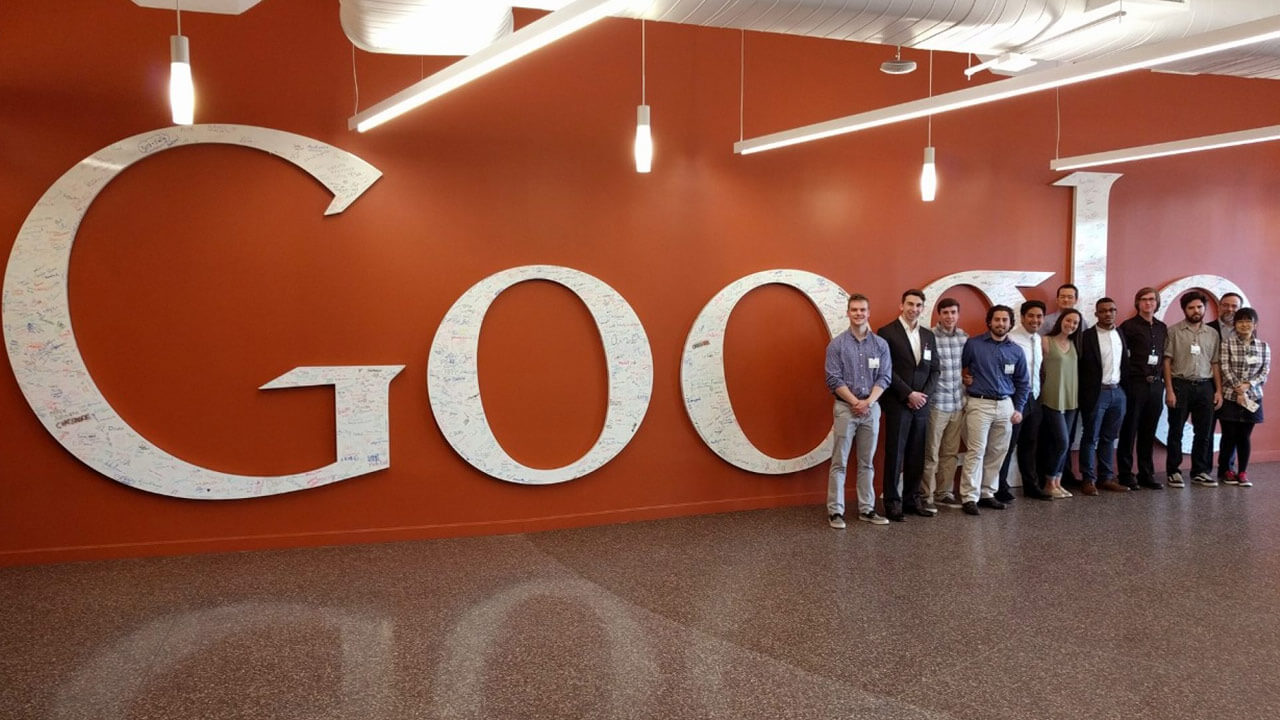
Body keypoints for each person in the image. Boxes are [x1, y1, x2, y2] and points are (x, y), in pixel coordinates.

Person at [824, 294, 893, 528]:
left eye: (862, 310)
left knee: (867, 463)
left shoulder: (880, 345)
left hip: (871, 409)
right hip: (845, 409)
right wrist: (856, 402)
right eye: (854, 310)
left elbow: (885, 376)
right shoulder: (837, 345)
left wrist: (869, 402)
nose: (858, 313)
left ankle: (867, 509)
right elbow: (833, 378)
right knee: (839, 462)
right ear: (847, 313)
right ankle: (835, 511)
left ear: (868, 312)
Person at [958, 305, 1030, 516]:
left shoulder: (1016, 351)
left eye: (1005, 320)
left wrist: (1018, 408)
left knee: (998, 451)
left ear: (1010, 323)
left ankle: (987, 492)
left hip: (1006, 405)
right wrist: (964, 380)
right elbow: (958, 369)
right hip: (979, 403)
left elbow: (1023, 383)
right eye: (996, 319)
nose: (1000, 323)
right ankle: (969, 497)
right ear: (989, 322)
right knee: (976, 450)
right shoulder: (973, 344)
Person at [877, 289, 941, 520]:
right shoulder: (886, 332)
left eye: (918, 305)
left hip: (922, 405)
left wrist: (923, 395)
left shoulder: (928, 335)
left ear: (923, 308)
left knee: (917, 453)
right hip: (898, 402)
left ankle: (912, 499)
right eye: (910, 304)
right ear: (901, 305)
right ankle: (892, 502)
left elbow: (935, 368)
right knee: (895, 454)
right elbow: (886, 370)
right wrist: (908, 394)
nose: (914, 309)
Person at [1164, 291, 1222, 488]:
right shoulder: (1173, 331)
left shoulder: (1212, 334)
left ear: (1204, 308)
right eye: (1191, 307)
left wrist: (1218, 391)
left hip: (1205, 386)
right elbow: (1166, 361)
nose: (1196, 311)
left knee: (1204, 431)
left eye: (1199, 307)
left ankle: (1200, 471)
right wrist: (1169, 390)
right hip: (1180, 385)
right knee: (1176, 431)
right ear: (1184, 310)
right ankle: (1173, 471)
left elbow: (1215, 363)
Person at [1117, 287, 1168, 490]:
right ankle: (1126, 474)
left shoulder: (1162, 327)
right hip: (1135, 384)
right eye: (1144, 299)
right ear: (1137, 303)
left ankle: (1147, 474)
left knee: (1149, 431)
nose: (1148, 303)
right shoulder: (1128, 327)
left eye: (1152, 300)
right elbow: (1122, 358)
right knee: (1129, 430)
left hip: (1156, 385)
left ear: (1157, 303)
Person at [1078, 297, 1130, 495]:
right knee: (1090, 437)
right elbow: (1080, 368)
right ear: (1096, 314)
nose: (1108, 313)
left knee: (1109, 437)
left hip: (1117, 392)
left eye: (1112, 310)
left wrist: (1124, 392)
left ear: (1116, 312)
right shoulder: (1087, 336)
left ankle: (1106, 478)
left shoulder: (1120, 334)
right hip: (1096, 393)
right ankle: (1088, 480)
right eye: (1103, 311)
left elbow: (1124, 364)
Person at [997, 300, 1047, 501]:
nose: (1035, 320)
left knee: (1030, 444)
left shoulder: (1038, 339)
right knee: (1007, 445)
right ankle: (1000, 486)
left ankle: (1031, 486)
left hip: (1034, 398)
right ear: (1023, 317)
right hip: (1014, 399)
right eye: (1031, 316)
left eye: (1039, 316)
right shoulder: (1011, 339)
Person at [922, 298, 967, 511]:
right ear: (939, 314)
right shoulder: (929, 337)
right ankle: (926, 495)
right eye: (946, 312)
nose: (950, 316)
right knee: (931, 452)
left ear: (958, 314)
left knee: (950, 453)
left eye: (953, 312)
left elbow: (970, 366)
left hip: (958, 403)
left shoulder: (964, 338)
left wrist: (969, 379)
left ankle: (944, 492)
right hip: (937, 404)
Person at [1217, 307, 1268, 487]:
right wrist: (1239, 389)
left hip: (1253, 397)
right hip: (1231, 396)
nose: (1245, 324)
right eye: (1240, 321)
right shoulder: (1227, 344)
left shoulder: (1263, 346)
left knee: (1244, 436)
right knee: (1229, 435)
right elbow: (1224, 367)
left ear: (1255, 324)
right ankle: (1226, 470)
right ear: (1235, 324)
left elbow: (1264, 372)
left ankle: (1243, 472)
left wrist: (1248, 386)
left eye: (1248, 321)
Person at [1040, 309, 1082, 499]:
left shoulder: (1075, 344)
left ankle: (1058, 481)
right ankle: (1049, 482)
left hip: (1071, 399)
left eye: (1075, 323)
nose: (1071, 325)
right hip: (1052, 398)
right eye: (1069, 320)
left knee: (1067, 442)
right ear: (1061, 321)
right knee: (1061, 442)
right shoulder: (1046, 341)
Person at [1208, 292, 1243, 479]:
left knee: (1232, 432)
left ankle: (1226, 470)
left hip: (1234, 390)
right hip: (1210, 387)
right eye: (1226, 305)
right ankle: (1204, 470)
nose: (1230, 309)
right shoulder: (1208, 329)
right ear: (1219, 306)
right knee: (1206, 430)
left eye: (1234, 306)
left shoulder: (1245, 331)